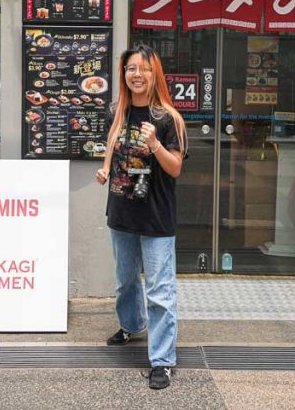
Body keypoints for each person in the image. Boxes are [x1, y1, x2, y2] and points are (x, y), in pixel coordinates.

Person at [96, 44, 187, 390]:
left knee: (160, 291)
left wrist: (156, 145)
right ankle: (132, 326)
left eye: (144, 69)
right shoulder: (116, 110)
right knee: (126, 282)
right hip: (121, 210)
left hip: (156, 216)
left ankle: (162, 360)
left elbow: (175, 168)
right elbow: (111, 141)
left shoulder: (168, 119)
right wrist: (105, 169)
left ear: (155, 74)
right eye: (131, 68)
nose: (137, 74)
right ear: (124, 74)